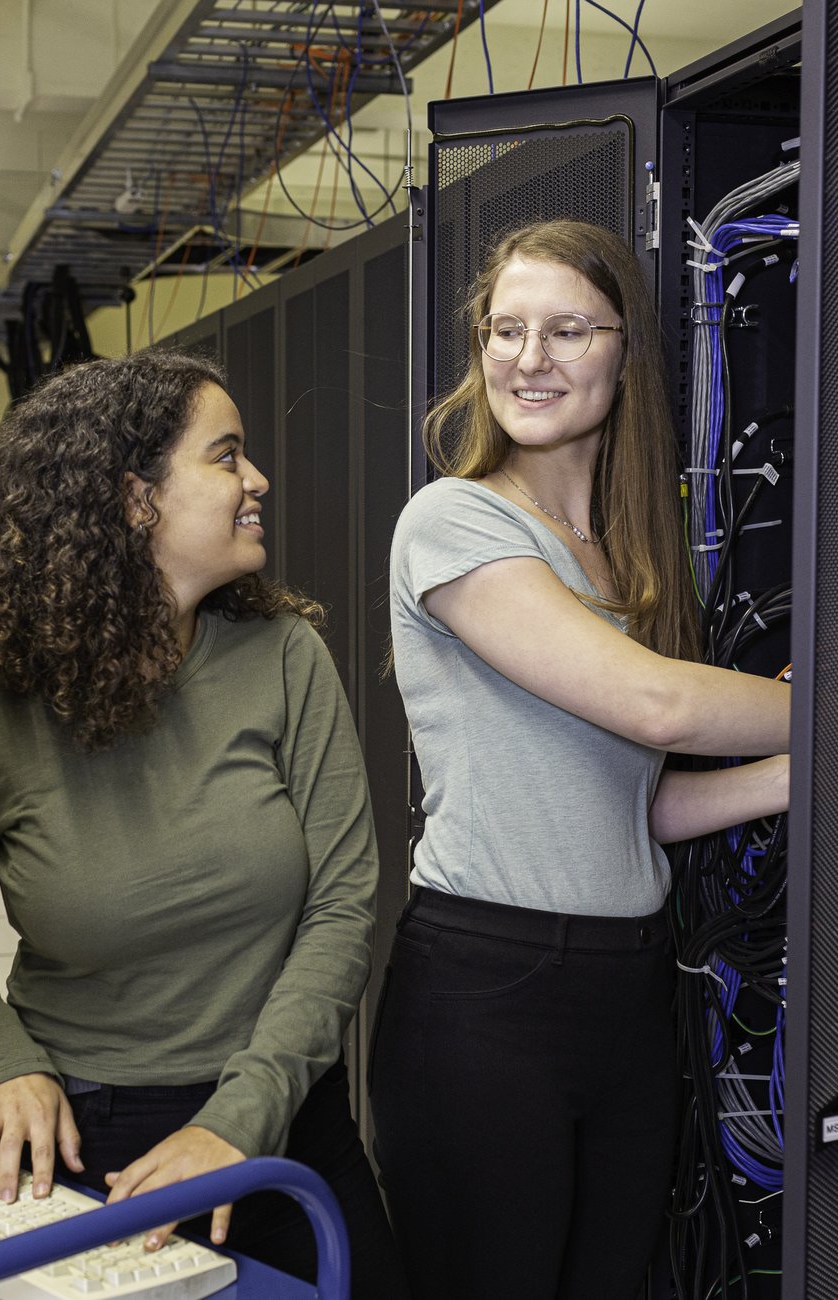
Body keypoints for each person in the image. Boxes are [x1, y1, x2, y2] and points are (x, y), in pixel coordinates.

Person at [368, 219, 791, 1300]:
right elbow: (656, 706)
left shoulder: (630, 557)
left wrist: (800, 770)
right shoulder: (451, 522)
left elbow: (622, 809)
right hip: (486, 993)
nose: (526, 358)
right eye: (504, 330)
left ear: (624, 351)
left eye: (565, 330)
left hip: (625, 993)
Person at [0, 349, 402, 1295]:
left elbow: (344, 905)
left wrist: (242, 1118)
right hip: (80, 1135)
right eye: (226, 457)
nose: (257, 479)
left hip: (279, 1122)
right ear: (134, 498)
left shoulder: (284, 657)